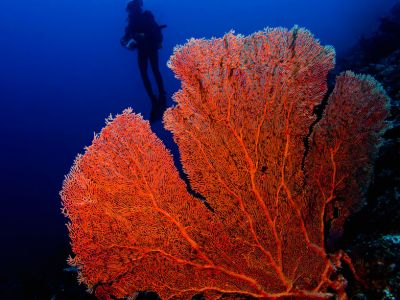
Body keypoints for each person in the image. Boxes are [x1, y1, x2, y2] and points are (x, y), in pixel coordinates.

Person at [120, 0, 167, 122]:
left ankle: (161, 95)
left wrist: (144, 36)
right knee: (145, 74)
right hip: (142, 50)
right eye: (131, 11)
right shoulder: (131, 23)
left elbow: (155, 31)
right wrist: (126, 43)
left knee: (154, 71)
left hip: (151, 47)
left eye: (132, 10)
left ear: (137, 9)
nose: (131, 13)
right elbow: (125, 38)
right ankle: (154, 98)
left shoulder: (147, 17)